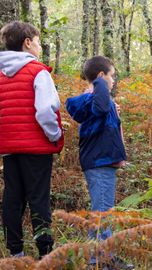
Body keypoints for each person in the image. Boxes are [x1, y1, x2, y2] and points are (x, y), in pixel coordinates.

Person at [0, 21, 64, 258]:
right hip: (36, 147)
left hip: (8, 147)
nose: (39, 46)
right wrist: (55, 135)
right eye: (37, 42)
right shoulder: (38, 72)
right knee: (38, 198)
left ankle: (15, 252)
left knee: (12, 197)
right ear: (27, 43)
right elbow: (46, 110)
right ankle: (45, 252)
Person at [66, 56, 132, 269]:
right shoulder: (95, 99)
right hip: (99, 161)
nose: (113, 81)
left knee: (104, 210)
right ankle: (100, 260)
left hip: (102, 161)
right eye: (111, 76)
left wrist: (113, 108)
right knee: (102, 211)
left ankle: (105, 257)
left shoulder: (95, 101)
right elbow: (102, 107)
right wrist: (102, 87)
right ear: (101, 77)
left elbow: (103, 112)